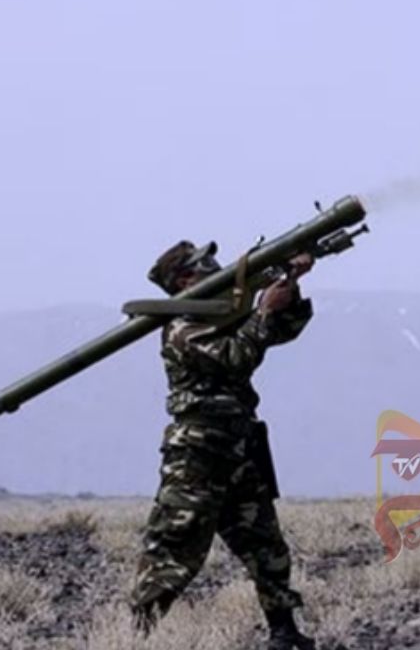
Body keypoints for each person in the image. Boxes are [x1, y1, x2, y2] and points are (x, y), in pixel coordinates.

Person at [129, 240, 318, 650]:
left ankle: (285, 634)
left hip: (239, 447)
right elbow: (236, 357)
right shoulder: (181, 328)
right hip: (198, 452)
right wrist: (263, 311)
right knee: (174, 549)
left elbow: (283, 330)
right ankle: (133, 637)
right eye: (206, 264)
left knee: (265, 544)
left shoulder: (221, 318)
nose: (217, 267)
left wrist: (290, 285)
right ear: (185, 280)